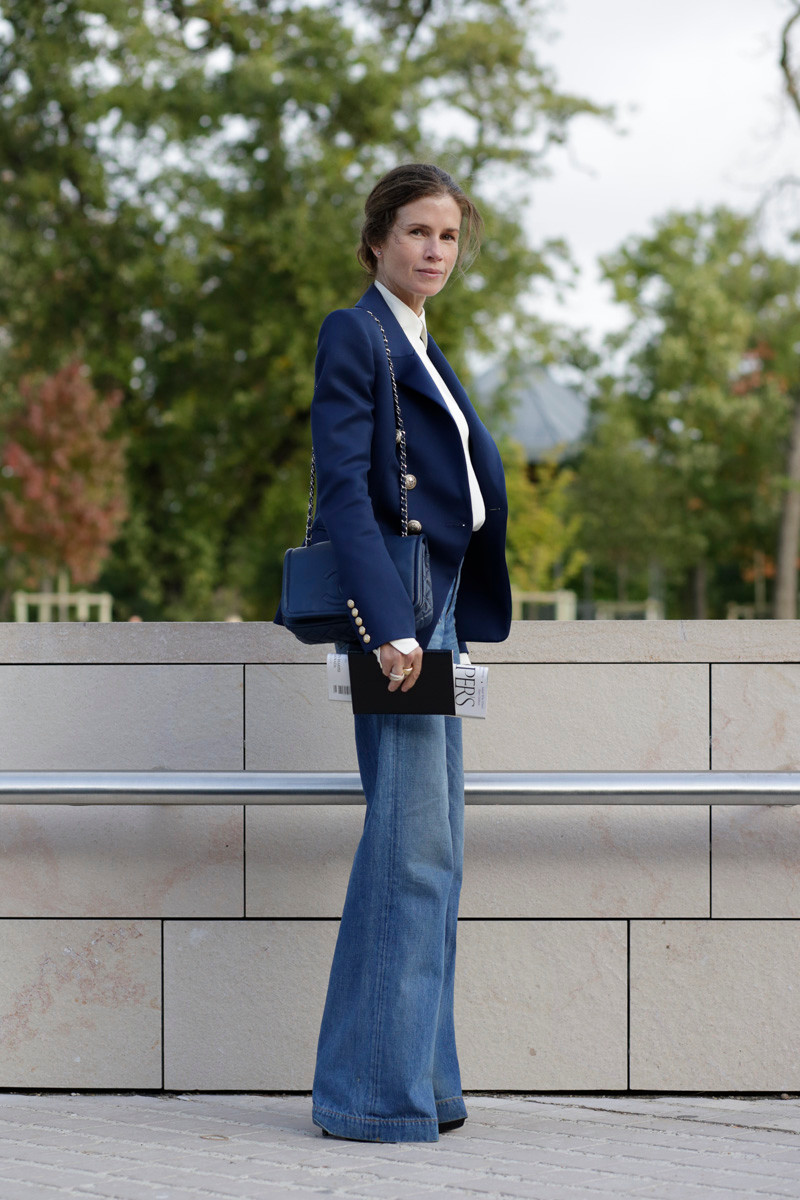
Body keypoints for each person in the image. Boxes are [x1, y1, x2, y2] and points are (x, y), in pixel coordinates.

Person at [276, 163, 511, 1142]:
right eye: (416, 231)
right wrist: (394, 627)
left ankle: (422, 1083)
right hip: (404, 618)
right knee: (410, 849)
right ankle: (369, 1094)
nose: (433, 250)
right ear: (375, 240)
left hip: (437, 607)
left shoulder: (419, 340)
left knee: (434, 850)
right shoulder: (356, 331)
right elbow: (343, 488)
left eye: (447, 236)